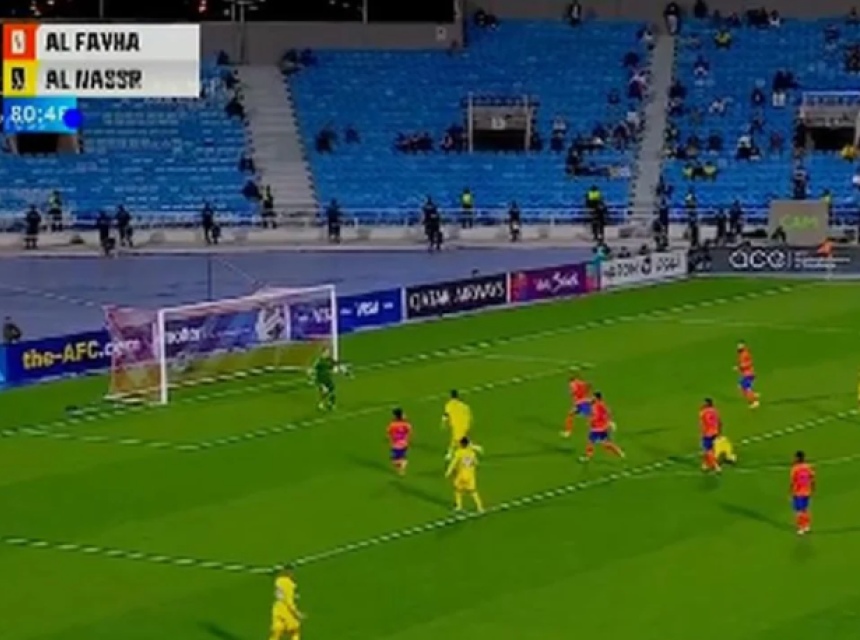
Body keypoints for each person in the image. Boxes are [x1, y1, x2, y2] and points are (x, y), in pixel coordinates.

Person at [581, 392, 625, 461]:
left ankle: (588, 457)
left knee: (591, 442)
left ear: (596, 398)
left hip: (598, 428)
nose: (592, 397)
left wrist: (608, 422)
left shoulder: (599, 404)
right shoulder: (597, 404)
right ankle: (620, 452)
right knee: (605, 444)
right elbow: (606, 412)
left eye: (593, 396)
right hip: (599, 427)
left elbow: (604, 413)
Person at [445, 436, 484, 513]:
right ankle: (480, 507)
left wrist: (448, 472)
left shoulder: (459, 452)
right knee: (473, 491)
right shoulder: (471, 452)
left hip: (461, 475)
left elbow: (453, 463)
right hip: (470, 475)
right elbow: (476, 462)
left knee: (457, 490)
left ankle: (459, 506)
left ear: (461, 444)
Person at [270, 565, 303, 640]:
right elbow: (289, 601)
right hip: (286, 610)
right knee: (295, 630)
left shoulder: (279, 580)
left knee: (277, 632)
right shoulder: (290, 584)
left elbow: (280, 592)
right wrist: (297, 613)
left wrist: (295, 595)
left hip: (277, 609)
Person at [443, 389, 472, 461]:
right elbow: (468, 413)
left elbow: (446, 415)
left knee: (458, 440)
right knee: (458, 439)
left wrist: (444, 423)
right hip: (464, 424)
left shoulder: (449, 405)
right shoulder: (463, 405)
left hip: (456, 425)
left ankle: (467, 457)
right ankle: (450, 453)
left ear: (450, 396)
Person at [790, 451, 815, 535]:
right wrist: (812, 489)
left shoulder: (795, 468)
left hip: (798, 492)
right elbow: (812, 478)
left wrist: (791, 490)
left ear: (797, 458)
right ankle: (807, 526)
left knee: (799, 511)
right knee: (805, 509)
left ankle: (801, 528)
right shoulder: (808, 467)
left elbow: (793, 481)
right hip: (807, 491)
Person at [699, 398, 722, 472]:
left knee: (707, 450)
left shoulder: (703, 412)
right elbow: (719, 422)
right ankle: (705, 464)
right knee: (710, 449)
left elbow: (703, 424)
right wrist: (719, 432)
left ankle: (715, 466)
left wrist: (703, 432)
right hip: (715, 432)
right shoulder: (715, 411)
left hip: (707, 434)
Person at [387, 408, 412, 476]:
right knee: (400, 458)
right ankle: (402, 467)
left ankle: (401, 469)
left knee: (395, 459)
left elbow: (389, 432)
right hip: (403, 443)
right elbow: (409, 431)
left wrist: (391, 438)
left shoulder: (392, 424)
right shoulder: (406, 424)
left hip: (396, 444)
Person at [736, 341, 760, 408]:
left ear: (743, 346)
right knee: (741, 386)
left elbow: (749, 363)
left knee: (747, 388)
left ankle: (755, 402)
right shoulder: (740, 353)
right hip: (745, 374)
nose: (738, 347)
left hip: (748, 374)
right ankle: (753, 395)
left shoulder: (745, 353)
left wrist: (740, 366)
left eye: (740, 345)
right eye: (738, 345)